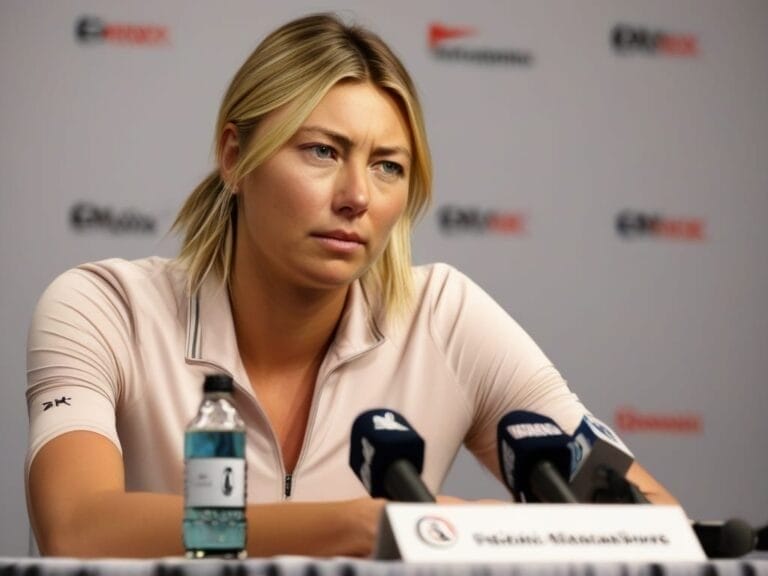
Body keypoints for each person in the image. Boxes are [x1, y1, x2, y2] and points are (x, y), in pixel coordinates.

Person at [25, 13, 676, 559]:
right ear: (233, 157)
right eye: (322, 152)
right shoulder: (103, 308)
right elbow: (78, 528)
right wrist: (359, 528)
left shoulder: (447, 319)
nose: (357, 197)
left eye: (388, 166)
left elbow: (649, 518)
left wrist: (483, 535)